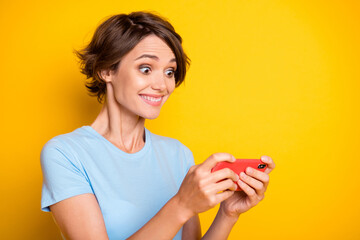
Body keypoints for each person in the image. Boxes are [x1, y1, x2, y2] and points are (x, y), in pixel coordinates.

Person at [40, 11, 275, 240]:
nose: (162, 85)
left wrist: (227, 214)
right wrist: (182, 205)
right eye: (146, 69)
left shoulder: (177, 154)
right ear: (106, 70)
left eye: (169, 71)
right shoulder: (65, 154)